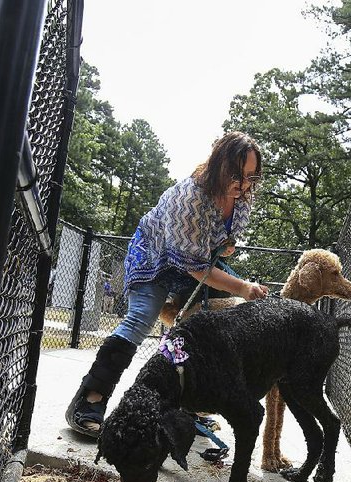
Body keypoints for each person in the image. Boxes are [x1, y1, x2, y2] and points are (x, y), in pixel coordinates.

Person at [65, 131, 269, 438]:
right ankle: (89, 400)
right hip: (155, 259)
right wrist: (241, 287)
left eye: (251, 177)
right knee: (140, 319)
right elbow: (195, 266)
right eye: (238, 175)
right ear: (219, 164)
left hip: (193, 261)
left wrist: (222, 247)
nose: (244, 185)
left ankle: (186, 410)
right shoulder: (189, 197)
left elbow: (214, 245)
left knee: (203, 327)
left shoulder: (241, 201)